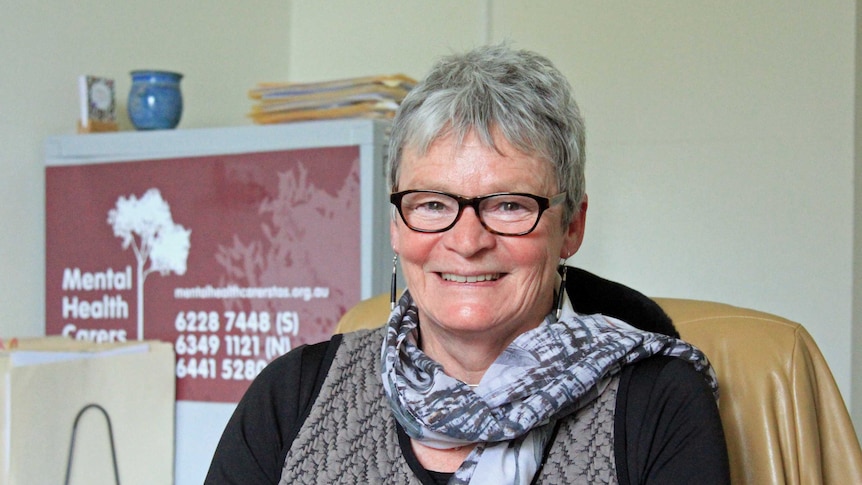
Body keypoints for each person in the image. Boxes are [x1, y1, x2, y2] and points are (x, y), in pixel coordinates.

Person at [205, 44, 729, 484]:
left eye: (508, 205)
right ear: (397, 224)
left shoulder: (659, 403)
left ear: (571, 227)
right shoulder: (292, 395)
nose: (467, 240)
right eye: (432, 204)